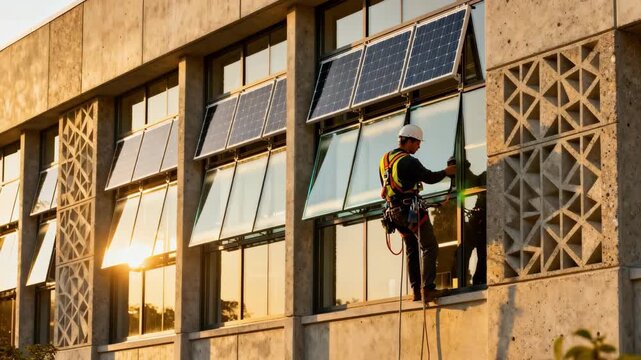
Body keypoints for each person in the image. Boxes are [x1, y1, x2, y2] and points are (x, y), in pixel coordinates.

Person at [379, 124, 456, 303]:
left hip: (394, 213)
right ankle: (428, 289)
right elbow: (428, 177)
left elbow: (386, 188)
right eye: (418, 143)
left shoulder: (384, 160)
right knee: (429, 246)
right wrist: (447, 172)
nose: (419, 147)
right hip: (409, 212)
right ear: (410, 141)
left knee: (412, 249)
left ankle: (416, 292)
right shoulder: (408, 161)